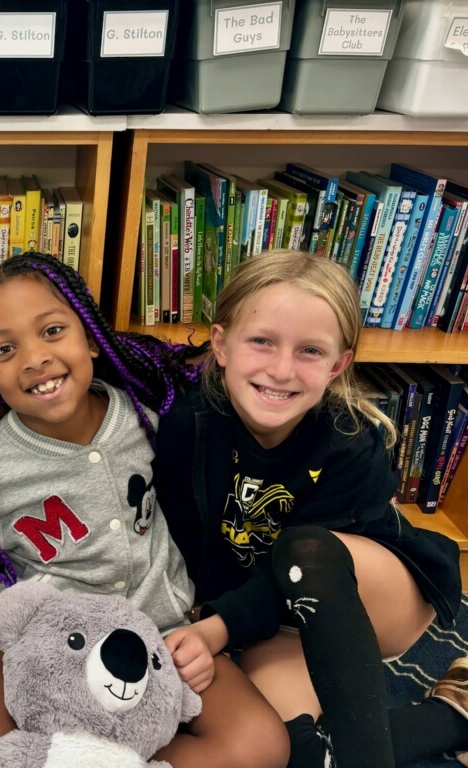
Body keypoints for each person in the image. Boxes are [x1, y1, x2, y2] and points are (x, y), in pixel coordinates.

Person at [0, 252, 290, 768]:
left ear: (89, 337)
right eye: (5, 348)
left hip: (163, 632)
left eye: (51, 330)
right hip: (44, 642)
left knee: (262, 745)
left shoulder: (149, 417)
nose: (33, 358)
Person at [154, 249, 468, 768]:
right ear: (221, 344)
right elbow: (186, 539)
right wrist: (209, 619)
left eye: (310, 351)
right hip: (267, 617)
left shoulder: (350, 443)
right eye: (261, 341)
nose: (281, 370)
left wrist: (216, 629)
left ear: (339, 364)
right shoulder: (190, 424)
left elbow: (308, 571)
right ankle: (450, 717)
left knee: (305, 550)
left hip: (369, 598)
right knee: (288, 747)